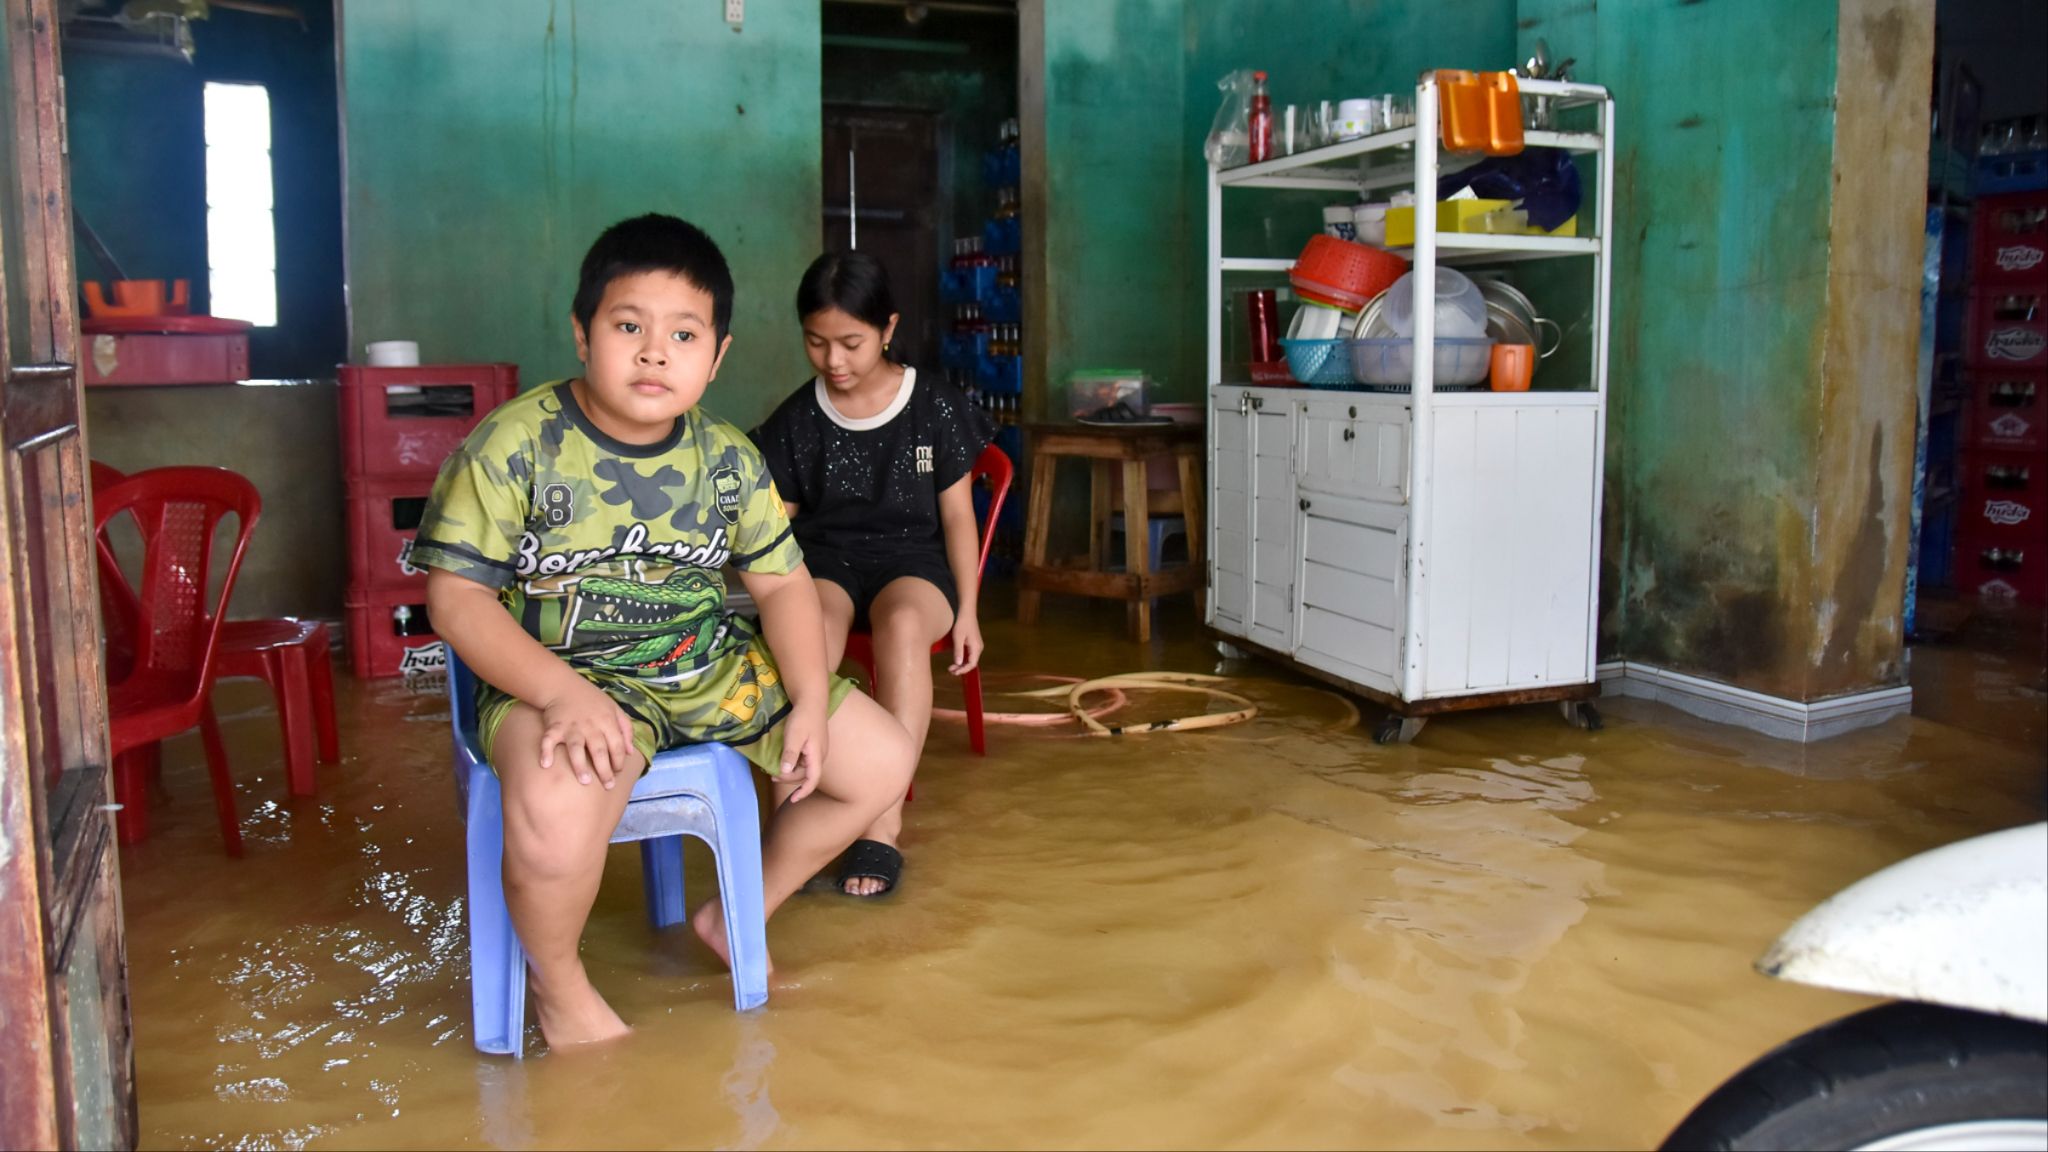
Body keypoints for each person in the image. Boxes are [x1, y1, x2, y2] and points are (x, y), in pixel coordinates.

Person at [412, 214, 915, 1048]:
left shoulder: (726, 457)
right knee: (555, 808)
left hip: (702, 662)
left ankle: (733, 915)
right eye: (628, 326)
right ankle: (560, 989)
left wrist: (811, 704)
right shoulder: (514, 444)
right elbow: (455, 600)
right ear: (581, 334)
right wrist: (561, 693)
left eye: (683, 334)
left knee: (883, 761)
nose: (655, 353)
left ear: (715, 356)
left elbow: (783, 583)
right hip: (562, 672)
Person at [751, 251, 996, 898]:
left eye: (852, 343)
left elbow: (957, 518)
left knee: (904, 625)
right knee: (811, 630)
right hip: (827, 559)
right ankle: (791, 822)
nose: (834, 361)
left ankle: (879, 827)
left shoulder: (934, 407)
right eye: (816, 342)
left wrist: (968, 609)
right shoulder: (800, 418)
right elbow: (775, 528)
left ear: (887, 329)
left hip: (914, 563)